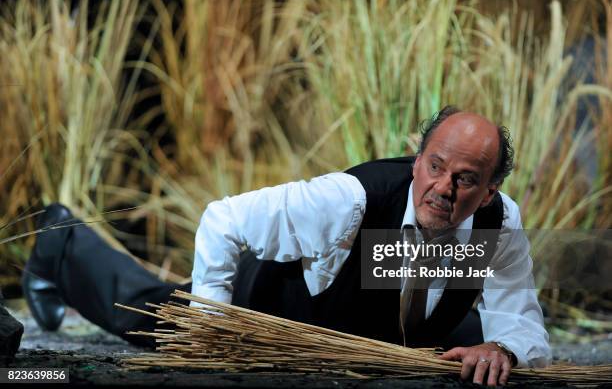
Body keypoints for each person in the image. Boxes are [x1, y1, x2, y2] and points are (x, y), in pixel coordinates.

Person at [22, 106, 551, 386]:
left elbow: (521, 318)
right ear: (417, 159)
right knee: (153, 317)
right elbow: (222, 218)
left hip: (391, 334)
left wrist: (503, 348)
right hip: (276, 305)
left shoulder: (498, 223)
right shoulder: (348, 201)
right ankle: (60, 245)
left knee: (479, 336)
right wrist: (213, 324)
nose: (443, 188)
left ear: (489, 191)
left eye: (466, 178)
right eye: (435, 166)